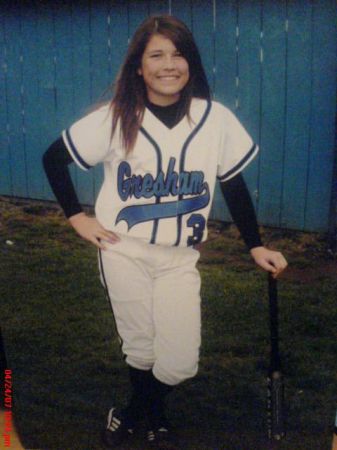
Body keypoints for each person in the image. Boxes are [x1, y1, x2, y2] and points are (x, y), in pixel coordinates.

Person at [43, 14, 287, 448]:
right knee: (140, 347)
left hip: (180, 258)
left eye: (178, 54)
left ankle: (132, 412)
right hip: (123, 250)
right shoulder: (115, 117)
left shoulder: (214, 118)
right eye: (156, 55)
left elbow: (231, 182)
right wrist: (77, 217)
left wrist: (255, 245)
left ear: (190, 63)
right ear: (139, 66)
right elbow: (53, 158)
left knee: (179, 361)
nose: (168, 64)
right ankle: (154, 417)